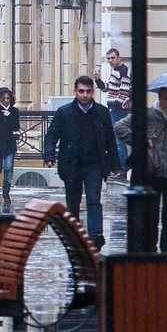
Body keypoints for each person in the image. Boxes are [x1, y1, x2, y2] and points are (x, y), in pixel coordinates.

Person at [43, 75, 118, 249]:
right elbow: (52, 135)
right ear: (75, 92)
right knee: (73, 201)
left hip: (95, 164)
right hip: (71, 163)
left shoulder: (101, 112)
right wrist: (49, 156)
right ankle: (74, 235)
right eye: (81, 91)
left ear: (93, 92)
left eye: (88, 91)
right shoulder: (64, 112)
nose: (85, 95)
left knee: (94, 199)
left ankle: (95, 235)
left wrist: (115, 164)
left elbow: (109, 139)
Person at [115, 86, 167, 253]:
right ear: (160, 98)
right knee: (151, 218)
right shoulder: (146, 115)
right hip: (150, 173)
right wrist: (140, 140)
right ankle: (152, 252)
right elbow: (119, 127)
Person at [95, 48, 132, 179]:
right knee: (116, 139)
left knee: (118, 140)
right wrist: (98, 81)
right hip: (113, 109)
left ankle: (121, 169)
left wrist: (119, 102)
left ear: (119, 58)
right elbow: (107, 89)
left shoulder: (123, 71)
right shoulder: (115, 72)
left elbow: (125, 90)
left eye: (112, 58)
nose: (110, 61)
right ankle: (120, 167)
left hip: (117, 109)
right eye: (108, 58)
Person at [0, 87, 20, 205]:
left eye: (8, 98)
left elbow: (16, 127)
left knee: (8, 168)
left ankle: (6, 193)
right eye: (4, 98)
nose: (6, 101)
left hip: (9, 145)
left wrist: (9, 115)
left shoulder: (14, 111)